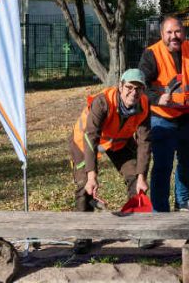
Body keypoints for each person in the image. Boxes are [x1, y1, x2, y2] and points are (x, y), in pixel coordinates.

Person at [68, 68, 151, 253]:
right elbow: (91, 138)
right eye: (129, 87)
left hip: (118, 141)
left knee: (135, 178)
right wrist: (91, 175)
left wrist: (142, 176)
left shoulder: (144, 105)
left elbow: (145, 142)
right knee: (84, 185)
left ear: (143, 90)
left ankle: (138, 230)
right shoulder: (102, 102)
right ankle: (83, 235)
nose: (133, 92)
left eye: (138, 89)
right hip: (84, 142)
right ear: (120, 86)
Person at [138, 16, 189, 212]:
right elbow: (141, 84)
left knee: (188, 161)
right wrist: (157, 98)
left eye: (177, 31)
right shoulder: (151, 54)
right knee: (163, 166)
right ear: (162, 34)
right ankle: (160, 210)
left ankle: (183, 200)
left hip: (188, 117)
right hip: (162, 119)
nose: (174, 36)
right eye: (169, 32)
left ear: (183, 32)